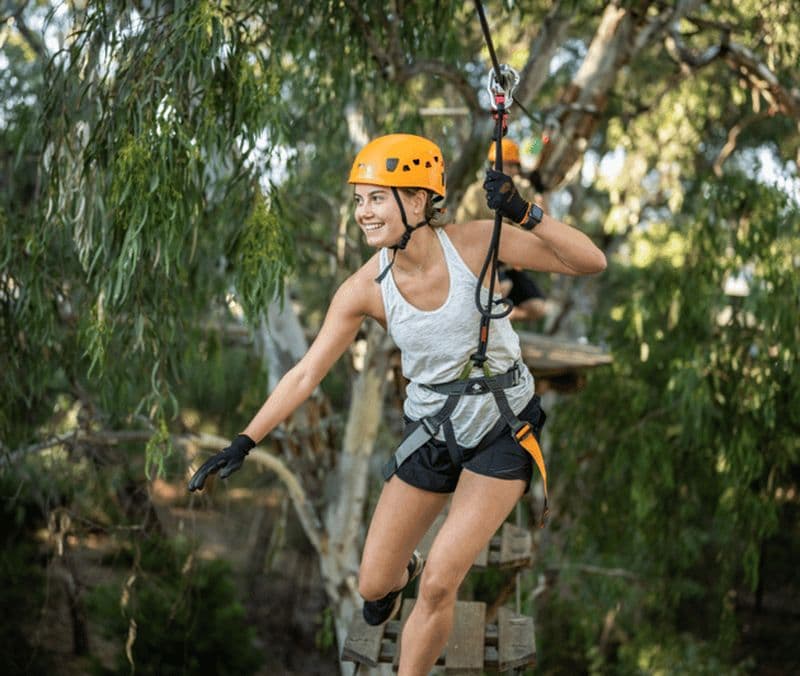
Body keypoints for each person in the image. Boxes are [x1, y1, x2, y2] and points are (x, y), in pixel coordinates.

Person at [188, 133, 606, 675]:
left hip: (502, 431)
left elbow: (589, 261)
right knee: (373, 586)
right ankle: (398, 573)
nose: (363, 212)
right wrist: (245, 439)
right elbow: (307, 371)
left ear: (416, 200)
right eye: (359, 200)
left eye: (376, 198)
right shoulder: (365, 287)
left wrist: (526, 213)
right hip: (433, 433)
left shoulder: (477, 244)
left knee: (439, 582)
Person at [456, 138, 550, 322]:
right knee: (503, 285)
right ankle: (476, 323)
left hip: (510, 260)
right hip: (482, 261)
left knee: (537, 308)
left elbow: (543, 225)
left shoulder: (523, 191)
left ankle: (497, 321)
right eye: (508, 166)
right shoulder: (475, 193)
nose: (513, 171)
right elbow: (462, 231)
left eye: (515, 166)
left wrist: (540, 193)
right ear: (493, 166)